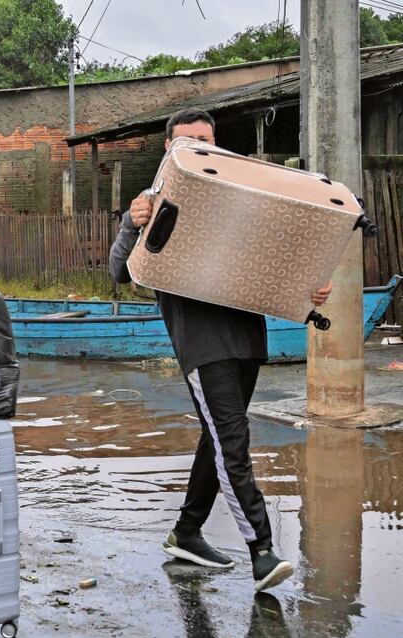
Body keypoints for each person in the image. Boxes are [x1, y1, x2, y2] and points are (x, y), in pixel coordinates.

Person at [109, 108, 333, 593]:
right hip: (202, 343)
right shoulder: (152, 204)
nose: (198, 147)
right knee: (232, 441)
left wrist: (311, 288)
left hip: (248, 338)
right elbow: (120, 271)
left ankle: (187, 533)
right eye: (187, 140)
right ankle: (262, 550)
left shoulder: (242, 199)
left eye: (206, 140)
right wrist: (130, 223)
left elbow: (282, 257)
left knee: (217, 440)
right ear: (169, 147)